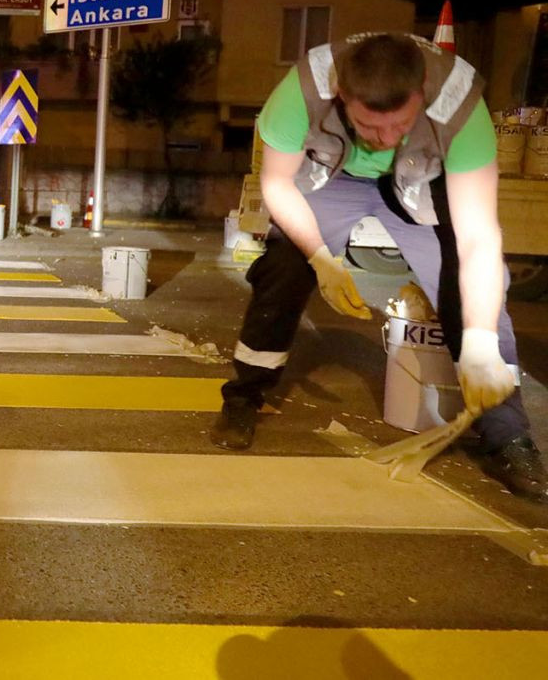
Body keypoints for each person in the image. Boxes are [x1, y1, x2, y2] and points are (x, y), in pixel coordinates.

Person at [211, 33, 547, 502]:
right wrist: (321, 258)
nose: (386, 139)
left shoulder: (461, 107)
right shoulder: (302, 90)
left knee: (470, 291)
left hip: (419, 179)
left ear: (422, 91)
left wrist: (479, 341)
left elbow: (479, 238)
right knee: (283, 267)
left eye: (401, 124)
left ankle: (508, 435)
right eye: (370, 126)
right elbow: (277, 184)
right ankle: (244, 399)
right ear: (343, 97)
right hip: (335, 177)